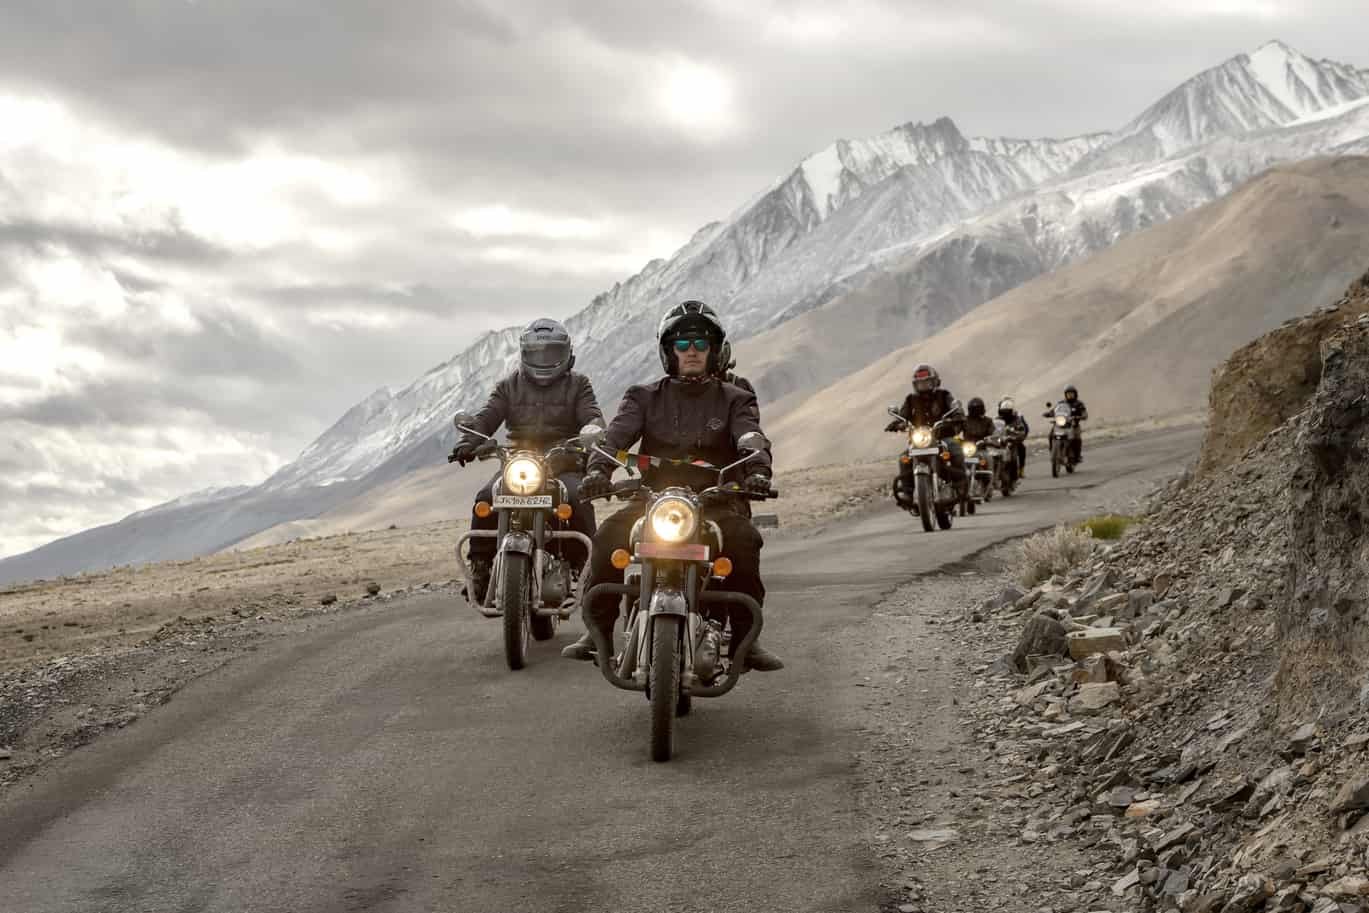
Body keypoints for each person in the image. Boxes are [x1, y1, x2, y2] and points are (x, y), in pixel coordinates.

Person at [562, 300, 783, 672]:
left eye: (700, 343)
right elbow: (614, 439)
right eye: (682, 344)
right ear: (669, 352)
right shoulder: (642, 397)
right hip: (653, 499)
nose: (692, 351)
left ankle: (748, 641)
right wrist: (598, 471)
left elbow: (750, 437)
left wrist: (757, 471)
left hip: (714, 501)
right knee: (606, 538)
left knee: (745, 542)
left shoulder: (735, 399)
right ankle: (595, 632)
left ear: (714, 350)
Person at [451, 318, 603, 604]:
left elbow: (592, 416)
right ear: (524, 355)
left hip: (564, 461)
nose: (544, 360)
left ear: (567, 355)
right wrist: (467, 441)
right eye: (537, 354)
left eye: (552, 354)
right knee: (486, 497)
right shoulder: (509, 386)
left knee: (575, 497)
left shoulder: (579, 385)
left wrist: (593, 432)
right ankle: (481, 567)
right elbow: (487, 417)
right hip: (519, 462)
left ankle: (587, 567)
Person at [883, 363, 966, 507]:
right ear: (915, 385)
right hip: (919, 439)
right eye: (920, 383)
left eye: (927, 382)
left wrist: (956, 415)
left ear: (934, 381)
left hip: (942, 436)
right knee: (904, 458)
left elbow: (954, 407)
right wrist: (899, 423)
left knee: (955, 448)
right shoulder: (911, 399)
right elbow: (904, 415)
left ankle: (961, 485)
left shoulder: (944, 395)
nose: (924, 385)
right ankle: (908, 493)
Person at [997, 397, 1030, 478]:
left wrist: (1020, 437)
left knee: (1022, 448)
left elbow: (1024, 429)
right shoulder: (997, 419)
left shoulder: (1017, 418)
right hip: (1002, 440)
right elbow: (993, 429)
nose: (1005, 413)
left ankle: (1021, 469)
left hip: (1013, 440)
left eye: (1007, 411)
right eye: (1003, 411)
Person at [1060, 385, 1088, 463]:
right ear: (1065, 394)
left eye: (1071, 393)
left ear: (1075, 394)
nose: (1070, 395)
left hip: (1074, 425)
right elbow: (1055, 410)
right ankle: (1053, 450)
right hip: (1062, 426)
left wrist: (1081, 416)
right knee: (1051, 434)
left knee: (1077, 439)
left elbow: (1084, 413)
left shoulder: (1079, 403)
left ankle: (1078, 455)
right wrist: (1049, 413)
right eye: (1068, 393)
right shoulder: (1062, 403)